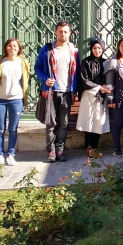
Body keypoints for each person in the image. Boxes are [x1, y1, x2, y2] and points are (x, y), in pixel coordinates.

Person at [35, 21, 81, 163]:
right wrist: (45, 79)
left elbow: (77, 72)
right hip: (51, 92)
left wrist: (75, 91)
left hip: (67, 92)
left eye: (65, 31)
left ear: (70, 34)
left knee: (63, 123)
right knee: (51, 123)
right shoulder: (47, 49)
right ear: (56, 32)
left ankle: (60, 149)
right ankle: (51, 151)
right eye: (60, 31)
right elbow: (37, 67)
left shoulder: (74, 51)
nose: (63, 34)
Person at [0, 37, 30, 167]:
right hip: (0, 99)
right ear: (6, 48)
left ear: (19, 48)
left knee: (13, 129)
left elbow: (26, 79)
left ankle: (11, 155)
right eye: (10, 46)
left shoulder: (23, 62)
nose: (12, 48)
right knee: (0, 129)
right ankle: (0, 155)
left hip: (16, 98)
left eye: (15, 46)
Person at [76, 38, 112, 155]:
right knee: (89, 121)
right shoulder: (85, 62)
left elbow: (109, 78)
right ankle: (89, 146)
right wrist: (98, 87)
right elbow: (84, 80)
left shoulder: (106, 63)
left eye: (99, 48)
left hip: (101, 97)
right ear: (91, 49)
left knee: (98, 122)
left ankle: (95, 147)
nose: (97, 51)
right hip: (89, 95)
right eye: (94, 48)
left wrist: (106, 87)